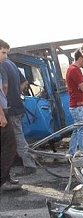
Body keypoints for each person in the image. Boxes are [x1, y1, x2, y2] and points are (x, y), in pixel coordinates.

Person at [0, 40, 37, 176]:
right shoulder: (12, 64)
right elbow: (24, 83)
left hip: (9, 108)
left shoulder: (2, 65)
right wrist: (17, 93)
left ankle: (29, 164)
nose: (5, 55)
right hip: (17, 105)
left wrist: (5, 98)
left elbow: (4, 87)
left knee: (17, 136)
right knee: (15, 136)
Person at [0, 39, 20, 190]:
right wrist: (1, 114)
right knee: (10, 146)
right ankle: (3, 180)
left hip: (4, 109)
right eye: (3, 52)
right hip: (1, 112)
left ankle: (6, 177)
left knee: (7, 146)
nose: (5, 56)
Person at [66, 50, 83, 156]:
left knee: (77, 130)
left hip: (76, 105)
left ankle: (71, 153)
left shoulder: (72, 69)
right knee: (82, 130)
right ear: (79, 58)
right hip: (79, 105)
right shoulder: (75, 70)